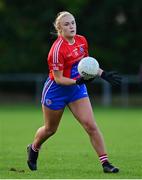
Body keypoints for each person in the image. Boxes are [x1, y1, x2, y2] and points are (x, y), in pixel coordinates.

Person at [27, 11, 121, 173]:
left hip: (76, 90)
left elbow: (87, 65)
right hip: (56, 91)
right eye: (66, 24)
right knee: (50, 129)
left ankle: (106, 164)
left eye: (73, 22)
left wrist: (103, 74)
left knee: (91, 125)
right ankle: (34, 148)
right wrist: (78, 81)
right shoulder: (56, 50)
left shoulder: (81, 41)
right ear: (59, 29)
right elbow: (58, 79)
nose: (71, 26)